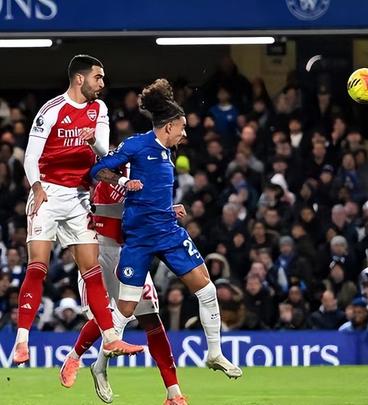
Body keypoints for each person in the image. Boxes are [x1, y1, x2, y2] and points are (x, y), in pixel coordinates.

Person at [89, 79, 242, 383]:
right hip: (139, 238)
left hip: (169, 232)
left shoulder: (167, 153)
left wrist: (170, 209)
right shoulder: (136, 145)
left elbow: (153, 194)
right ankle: (99, 365)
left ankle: (214, 353)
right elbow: (98, 170)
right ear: (169, 126)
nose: (185, 134)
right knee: (126, 310)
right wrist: (123, 182)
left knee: (207, 290)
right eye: (182, 128)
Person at [13, 55, 142, 365]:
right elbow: (30, 157)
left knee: (91, 269)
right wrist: (37, 188)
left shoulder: (100, 109)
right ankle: (22, 340)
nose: (102, 83)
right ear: (80, 79)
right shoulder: (51, 110)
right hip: (48, 192)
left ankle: (110, 338)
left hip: (79, 197)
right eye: (98, 77)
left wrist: (93, 140)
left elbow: (104, 152)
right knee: (38, 266)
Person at [59, 162, 188, 404]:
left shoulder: (150, 171)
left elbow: (143, 210)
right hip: (100, 249)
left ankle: (174, 394)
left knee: (151, 318)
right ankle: (75, 357)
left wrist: (166, 209)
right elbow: (113, 211)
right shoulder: (115, 169)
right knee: (105, 318)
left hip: (130, 252)